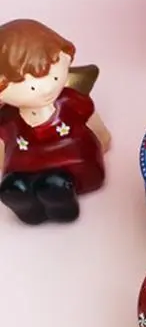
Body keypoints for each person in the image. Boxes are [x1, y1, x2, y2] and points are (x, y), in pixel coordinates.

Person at [0, 19, 106, 224]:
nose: (46, 89)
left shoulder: (70, 102)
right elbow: (3, 145)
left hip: (74, 163)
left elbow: (96, 127)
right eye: (31, 87)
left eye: (54, 78)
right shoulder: (10, 118)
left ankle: (61, 202)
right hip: (25, 165)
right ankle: (25, 203)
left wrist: (102, 141)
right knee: (15, 184)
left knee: (55, 183)